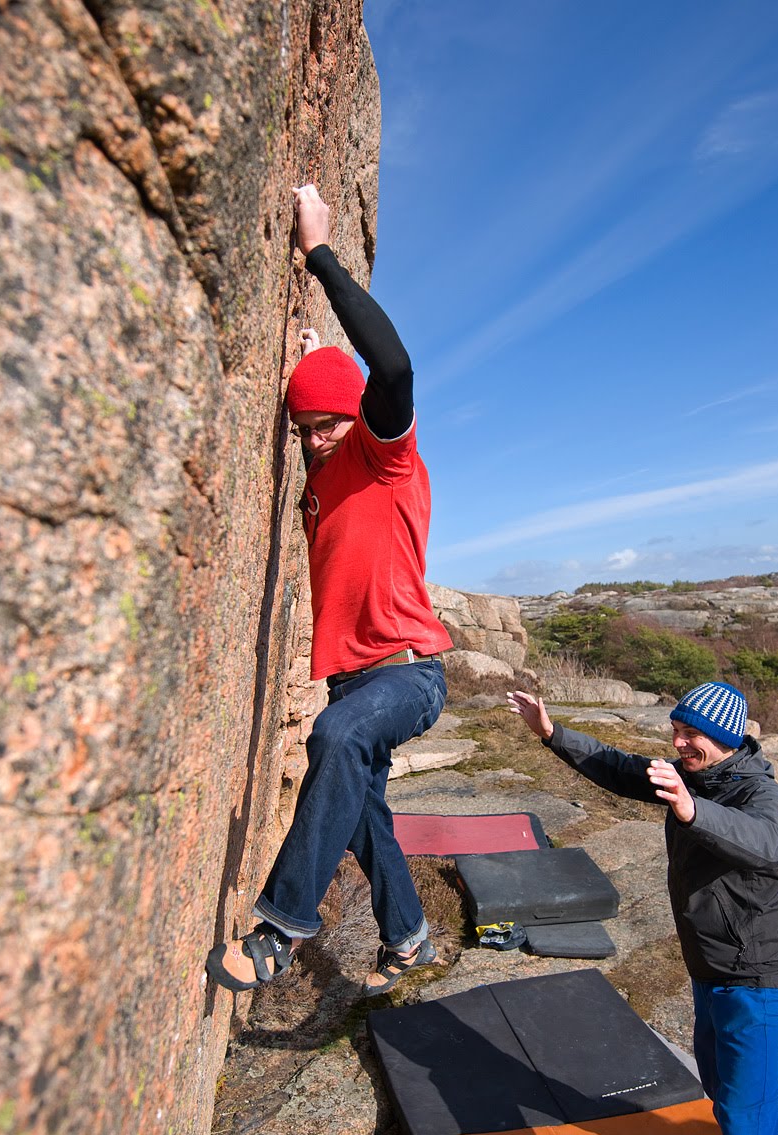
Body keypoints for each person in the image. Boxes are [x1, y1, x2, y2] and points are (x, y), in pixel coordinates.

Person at [206, 185, 452, 997]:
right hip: (354, 681)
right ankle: (409, 936)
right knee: (363, 814)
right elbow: (327, 398)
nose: (315, 441)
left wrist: (318, 254)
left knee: (337, 738)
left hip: (408, 674)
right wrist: (315, 363)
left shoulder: (386, 457)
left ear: (360, 417)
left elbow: (393, 366)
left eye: (329, 424)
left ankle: (279, 929)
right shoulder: (323, 473)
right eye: (305, 430)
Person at [507, 680, 778, 1135]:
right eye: (675, 730)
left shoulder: (759, 793)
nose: (678, 743)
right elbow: (621, 767)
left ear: (725, 738)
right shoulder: (695, 774)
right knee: (730, 1105)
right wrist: (551, 733)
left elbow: (769, 843)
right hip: (710, 975)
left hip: (755, 987)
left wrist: (691, 809)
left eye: (691, 733)